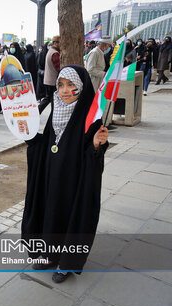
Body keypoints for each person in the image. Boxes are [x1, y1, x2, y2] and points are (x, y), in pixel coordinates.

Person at [22, 65, 109, 283]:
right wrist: (30, 137)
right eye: (61, 85)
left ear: (82, 87)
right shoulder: (55, 110)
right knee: (50, 213)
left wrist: (97, 145)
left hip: (74, 182)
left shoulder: (91, 118)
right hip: (52, 178)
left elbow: (92, 155)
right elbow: (46, 144)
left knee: (70, 217)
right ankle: (50, 255)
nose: (64, 90)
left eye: (71, 85)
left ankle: (66, 262)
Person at [38, 36, 60, 113]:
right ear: (55, 43)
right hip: (52, 80)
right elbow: (58, 68)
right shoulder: (55, 53)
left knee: (51, 99)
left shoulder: (50, 51)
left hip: (49, 79)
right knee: (50, 98)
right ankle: (37, 111)